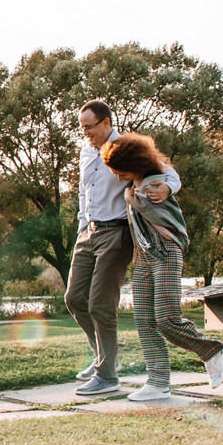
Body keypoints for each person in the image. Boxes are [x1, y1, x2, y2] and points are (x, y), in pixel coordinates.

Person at [66, 98, 178, 398]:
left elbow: (169, 173)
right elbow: (84, 192)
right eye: (82, 128)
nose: (86, 133)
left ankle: (107, 377)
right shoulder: (86, 151)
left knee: (100, 305)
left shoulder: (126, 148)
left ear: (106, 122)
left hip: (116, 233)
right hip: (88, 232)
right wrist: (82, 226)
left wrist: (168, 188)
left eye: (90, 127)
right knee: (74, 298)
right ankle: (104, 357)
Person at [103, 130, 223, 402]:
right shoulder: (136, 184)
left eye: (120, 171)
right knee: (145, 321)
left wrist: (166, 187)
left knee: (167, 318)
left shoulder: (155, 185)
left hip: (165, 250)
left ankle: (211, 350)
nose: (117, 176)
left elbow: (165, 179)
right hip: (144, 254)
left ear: (135, 165)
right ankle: (157, 383)